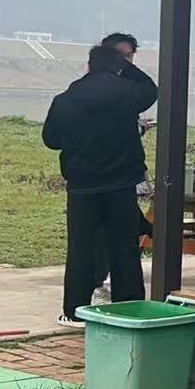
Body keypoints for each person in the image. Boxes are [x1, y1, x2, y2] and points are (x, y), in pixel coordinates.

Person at [43, 45, 158, 325]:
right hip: (121, 185)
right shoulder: (128, 94)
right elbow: (151, 89)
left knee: (81, 250)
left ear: (89, 65)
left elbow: (51, 140)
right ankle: (129, 308)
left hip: (82, 187)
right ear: (119, 66)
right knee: (125, 250)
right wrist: (126, 66)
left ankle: (75, 311)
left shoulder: (66, 99)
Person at [90, 32, 153, 304]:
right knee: (100, 237)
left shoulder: (127, 89)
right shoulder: (94, 88)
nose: (127, 62)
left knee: (126, 237)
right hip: (96, 179)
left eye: (130, 56)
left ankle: (122, 293)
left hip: (124, 178)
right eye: (121, 56)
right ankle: (96, 285)